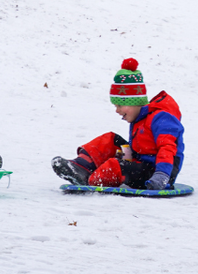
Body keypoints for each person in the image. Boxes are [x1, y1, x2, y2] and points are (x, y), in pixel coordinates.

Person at [52, 59, 185, 190]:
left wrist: (161, 175)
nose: (117, 110)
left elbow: (167, 148)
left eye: (120, 105)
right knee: (110, 140)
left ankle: (90, 180)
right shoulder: (140, 118)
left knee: (116, 167)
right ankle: (80, 167)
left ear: (134, 102)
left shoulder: (161, 118)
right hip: (141, 164)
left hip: (158, 173)